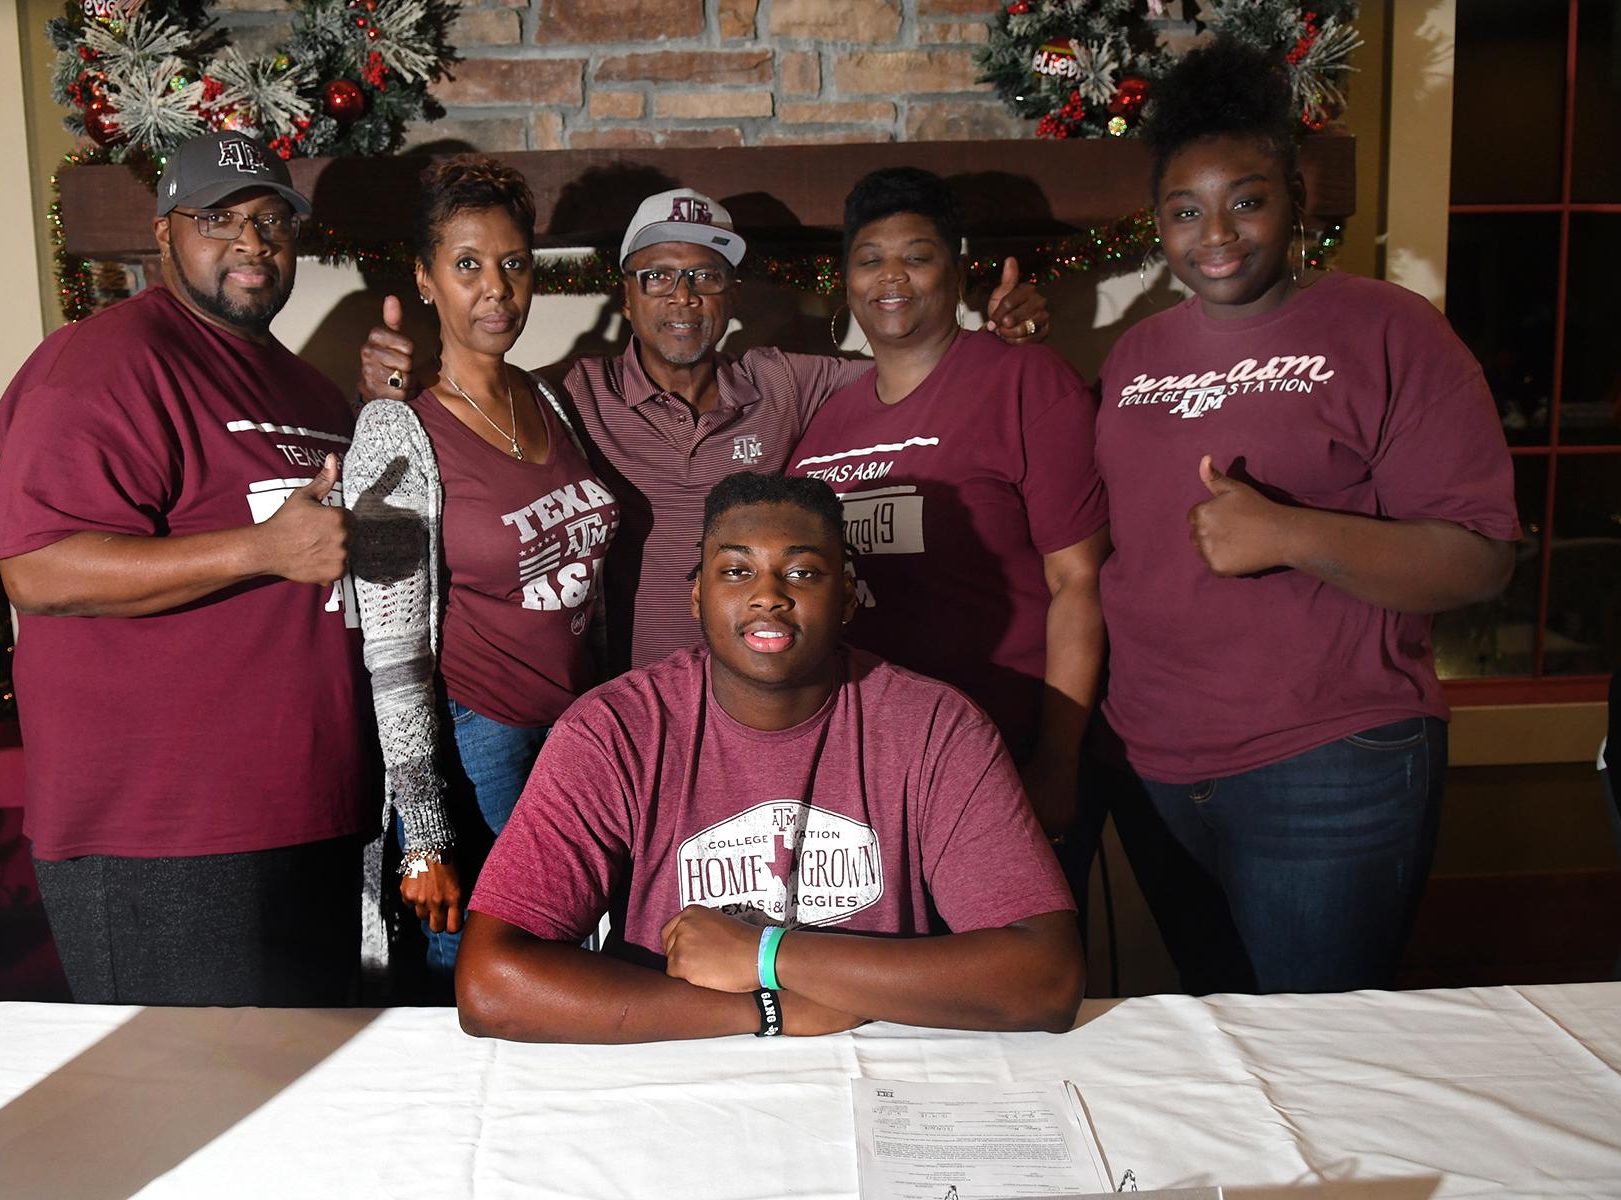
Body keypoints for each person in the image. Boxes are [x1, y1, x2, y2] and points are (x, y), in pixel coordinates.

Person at [1093, 40, 1520, 995]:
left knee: (1320, 1058)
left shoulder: (1388, 328)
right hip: (1154, 761)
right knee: (1226, 1044)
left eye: (1246, 200)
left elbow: (1482, 559)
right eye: (1184, 210)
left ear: (1297, 194)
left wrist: (1291, 534)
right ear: (1156, 222)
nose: (1217, 234)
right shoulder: (1135, 356)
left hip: (1330, 760)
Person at [455, 473, 1082, 1042]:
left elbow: (1047, 979)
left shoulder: (935, 728)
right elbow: (491, 985)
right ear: (696, 596)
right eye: (735, 571)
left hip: (882, 1077)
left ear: (848, 596)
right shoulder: (615, 729)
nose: (768, 596)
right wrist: (767, 1013)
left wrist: (768, 956)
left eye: (804, 572)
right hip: (680, 1068)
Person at [357, 187, 1052, 674]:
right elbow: (461, 414)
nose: (682, 297)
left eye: (705, 276)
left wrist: (995, 330)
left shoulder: (783, 380)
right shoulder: (568, 393)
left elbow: (911, 370)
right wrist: (384, 384)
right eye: (657, 276)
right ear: (624, 296)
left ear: (734, 295)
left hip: (767, 690)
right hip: (627, 702)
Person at [0, 132, 370, 1007]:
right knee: (185, 1110)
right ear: (164, 231)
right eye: (218, 218)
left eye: (271, 219)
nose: (251, 242)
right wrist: (263, 550)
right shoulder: (101, 364)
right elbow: (39, 569)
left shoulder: (307, 390)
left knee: (303, 1114)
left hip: (309, 808)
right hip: (162, 832)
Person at [345, 156, 619, 993]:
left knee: (565, 960)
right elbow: (391, 654)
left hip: (570, 733)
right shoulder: (395, 436)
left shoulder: (549, 400)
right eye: (467, 265)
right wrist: (426, 834)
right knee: (479, 973)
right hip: (477, 743)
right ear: (426, 280)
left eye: (514, 263)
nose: (495, 289)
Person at [787, 167, 1109, 867]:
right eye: (869, 259)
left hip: (1002, 757)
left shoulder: (1025, 381)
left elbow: (1078, 583)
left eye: (917, 255)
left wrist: (1057, 762)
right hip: (866, 772)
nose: (890, 276)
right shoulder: (825, 423)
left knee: (1011, 972)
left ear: (959, 271)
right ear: (846, 281)